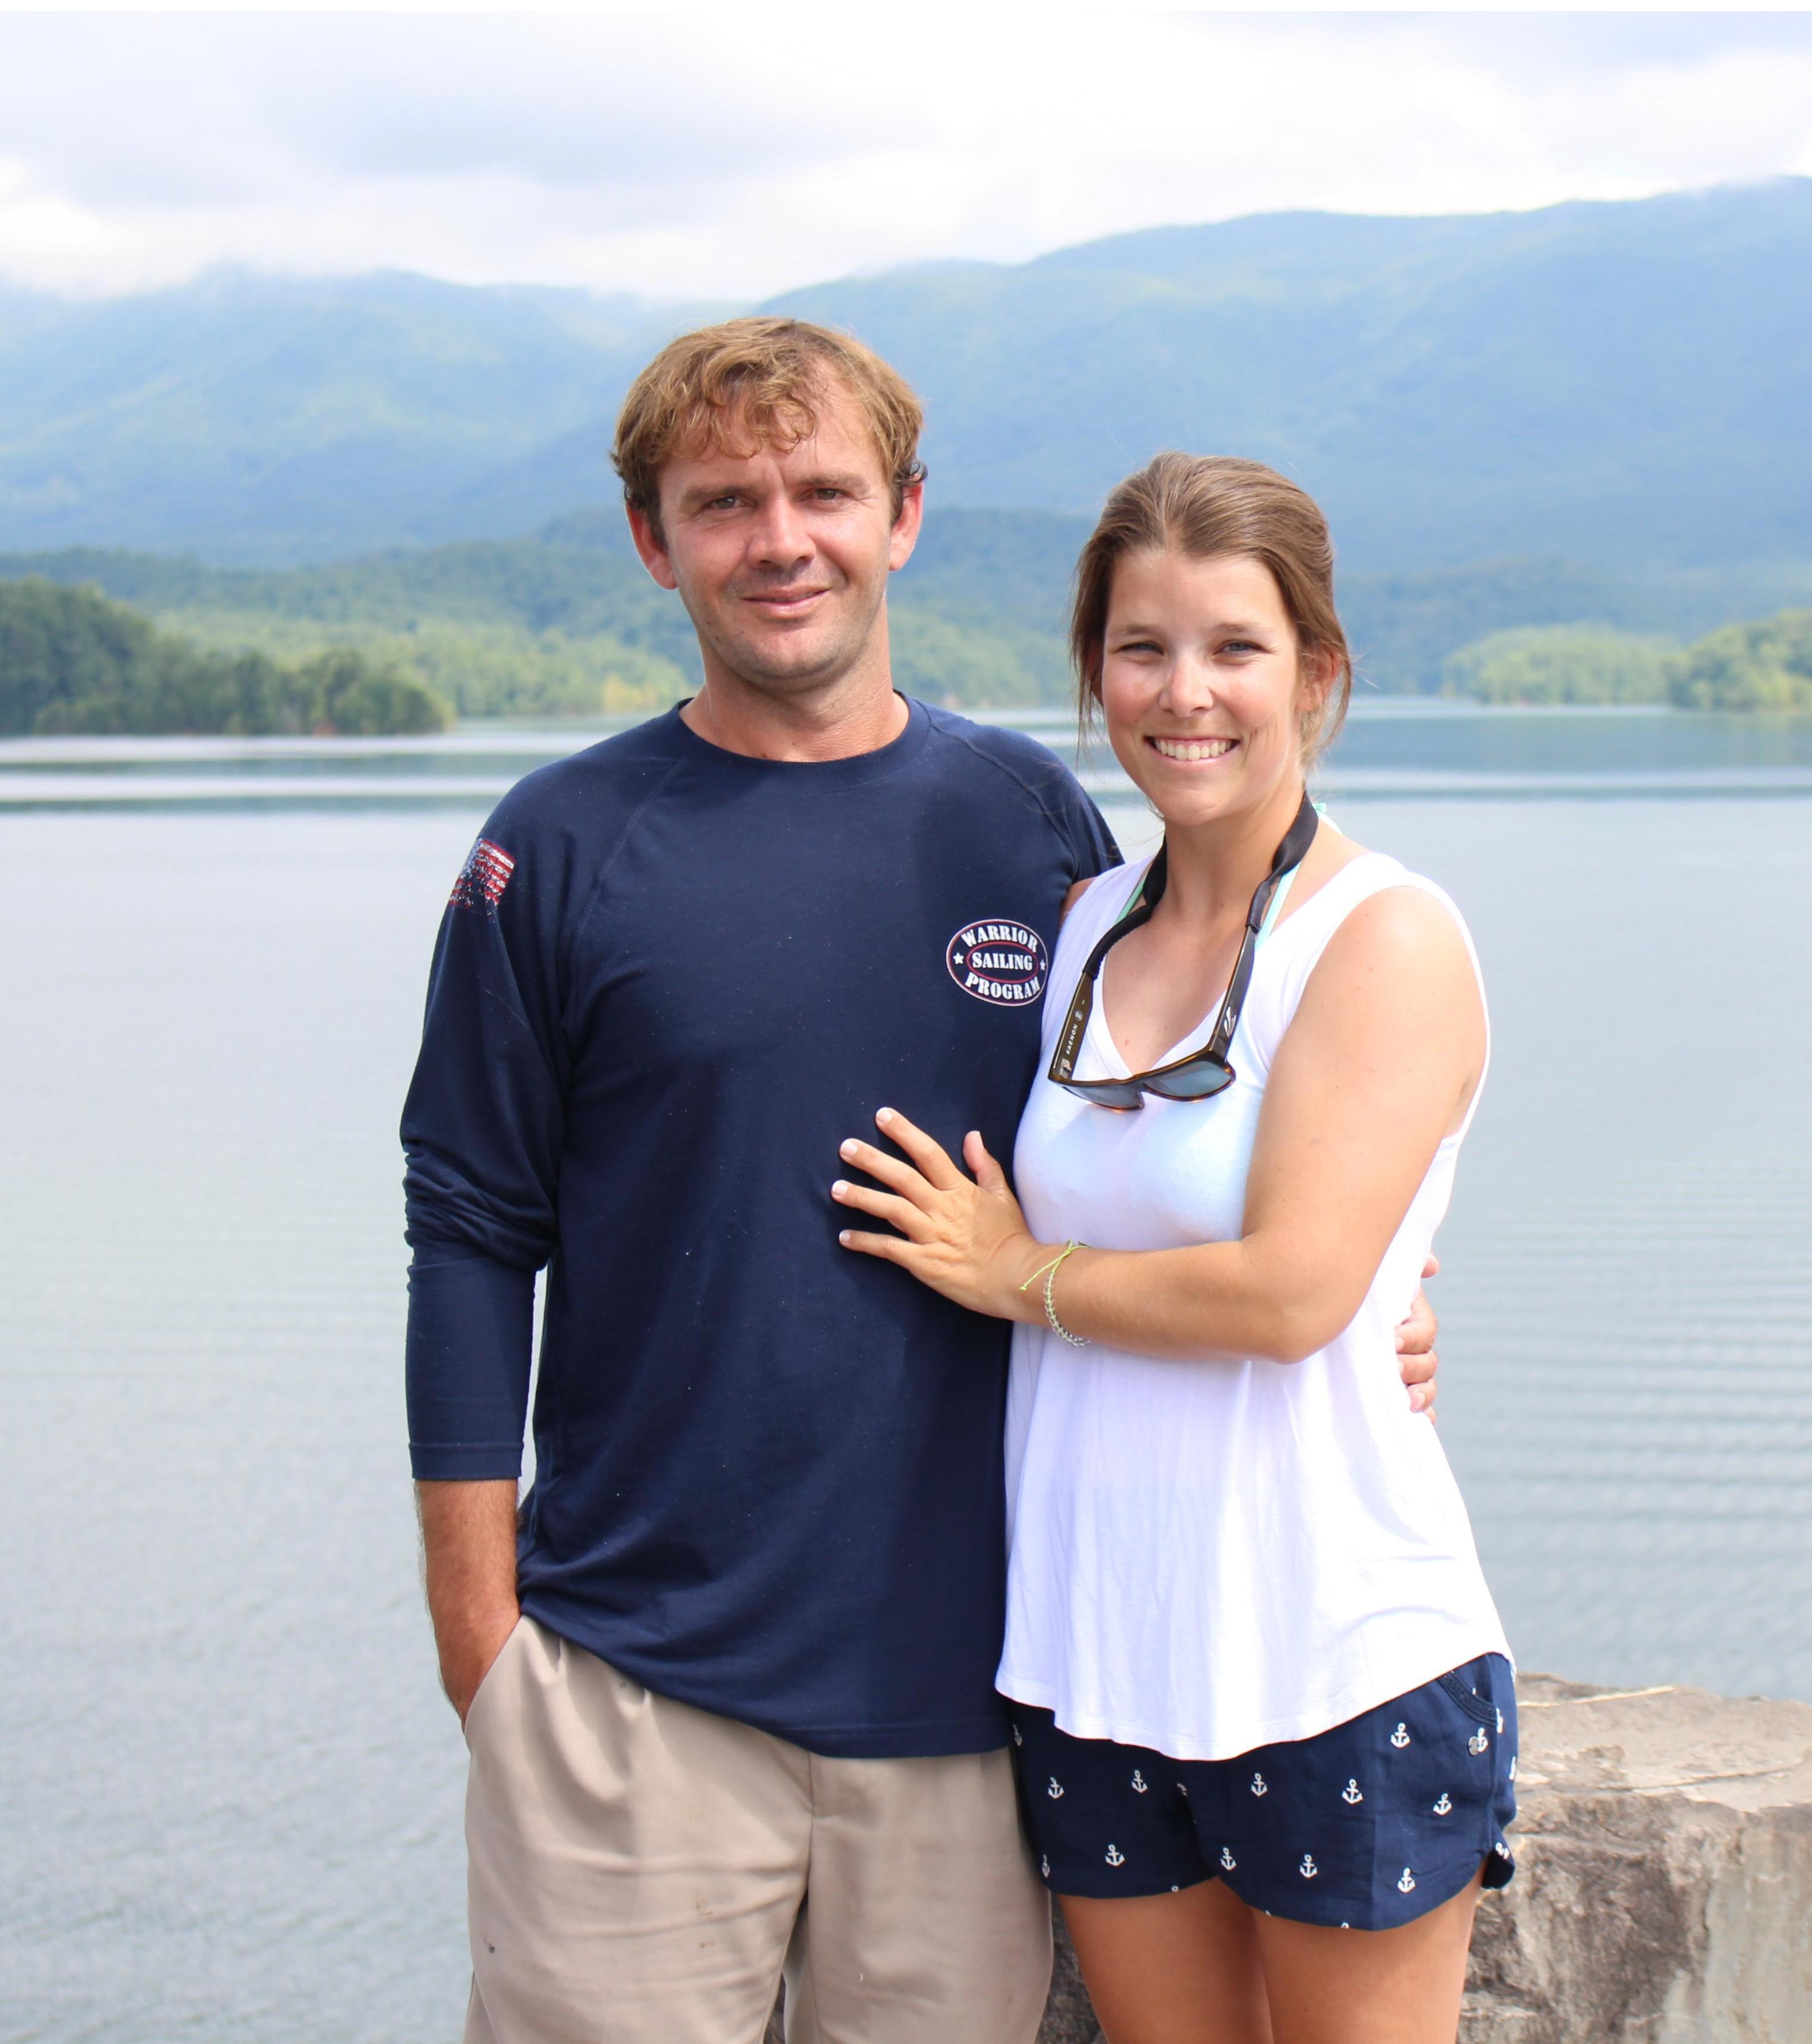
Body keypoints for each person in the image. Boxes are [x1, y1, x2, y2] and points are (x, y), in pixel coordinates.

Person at [402, 325, 1441, 2044]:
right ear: (654, 542)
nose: (779, 538)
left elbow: (1178, 1124)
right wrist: (480, 1636)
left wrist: (1382, 1278)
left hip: (973, 1709)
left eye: (822, 490)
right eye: (722, 502)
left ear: (904, 515)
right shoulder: (563, 846)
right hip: (633, 1698)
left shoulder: (1026, 825)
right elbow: (467, 1234)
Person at [831, 452, 1512, 2044]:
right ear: (1093, 672)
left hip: (1327, 1652)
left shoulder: (1382, 937)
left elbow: (1287, 1293)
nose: (1182, 693)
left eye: (1233, 648)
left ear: (1318, 673)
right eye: (1141, 648)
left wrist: (1024, 1279)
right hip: (1098, 1653)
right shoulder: (1081, 928)